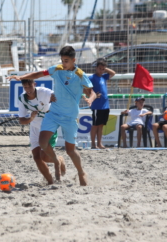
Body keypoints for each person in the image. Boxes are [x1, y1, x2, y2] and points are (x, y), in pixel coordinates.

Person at [8, 46, 96, 186]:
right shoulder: (57, 69)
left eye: (66, 61)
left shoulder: (80, 74)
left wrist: (90, 99)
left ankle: (81, 172)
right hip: (54, 113)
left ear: (74, 60)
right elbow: (38, 74)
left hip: (70, 116)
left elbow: (91, 92)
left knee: (70, 151)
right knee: (43, 142)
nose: (63, 63)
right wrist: (21, 77)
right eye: (62, 60)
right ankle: (56, 161)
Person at [18, 79, 66, 185]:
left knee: (44, 156)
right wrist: (31, 118)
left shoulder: (44, 92)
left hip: (49, 127)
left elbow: (55, 95)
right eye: (25, 87)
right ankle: (50, 182)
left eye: (30, 86)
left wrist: (55, 97)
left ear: (34, 84)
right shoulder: (22, 98)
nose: (28, 90)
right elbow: (21, 120)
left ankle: (59, 160)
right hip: (34, 127)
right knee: (36, 157)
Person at [88, 58, 116, 149]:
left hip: (105, 105)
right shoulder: (92, 78)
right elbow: (85, 89)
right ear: (96, 68)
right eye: (100, 68)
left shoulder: (103, 77)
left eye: (103, 69)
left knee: (101, 125)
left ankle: (99, 143)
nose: (101, 70)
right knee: (95, 125)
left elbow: (113, 73)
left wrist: (105, 68)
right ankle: (93, 144)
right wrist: (93, 95)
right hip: (97, 106)